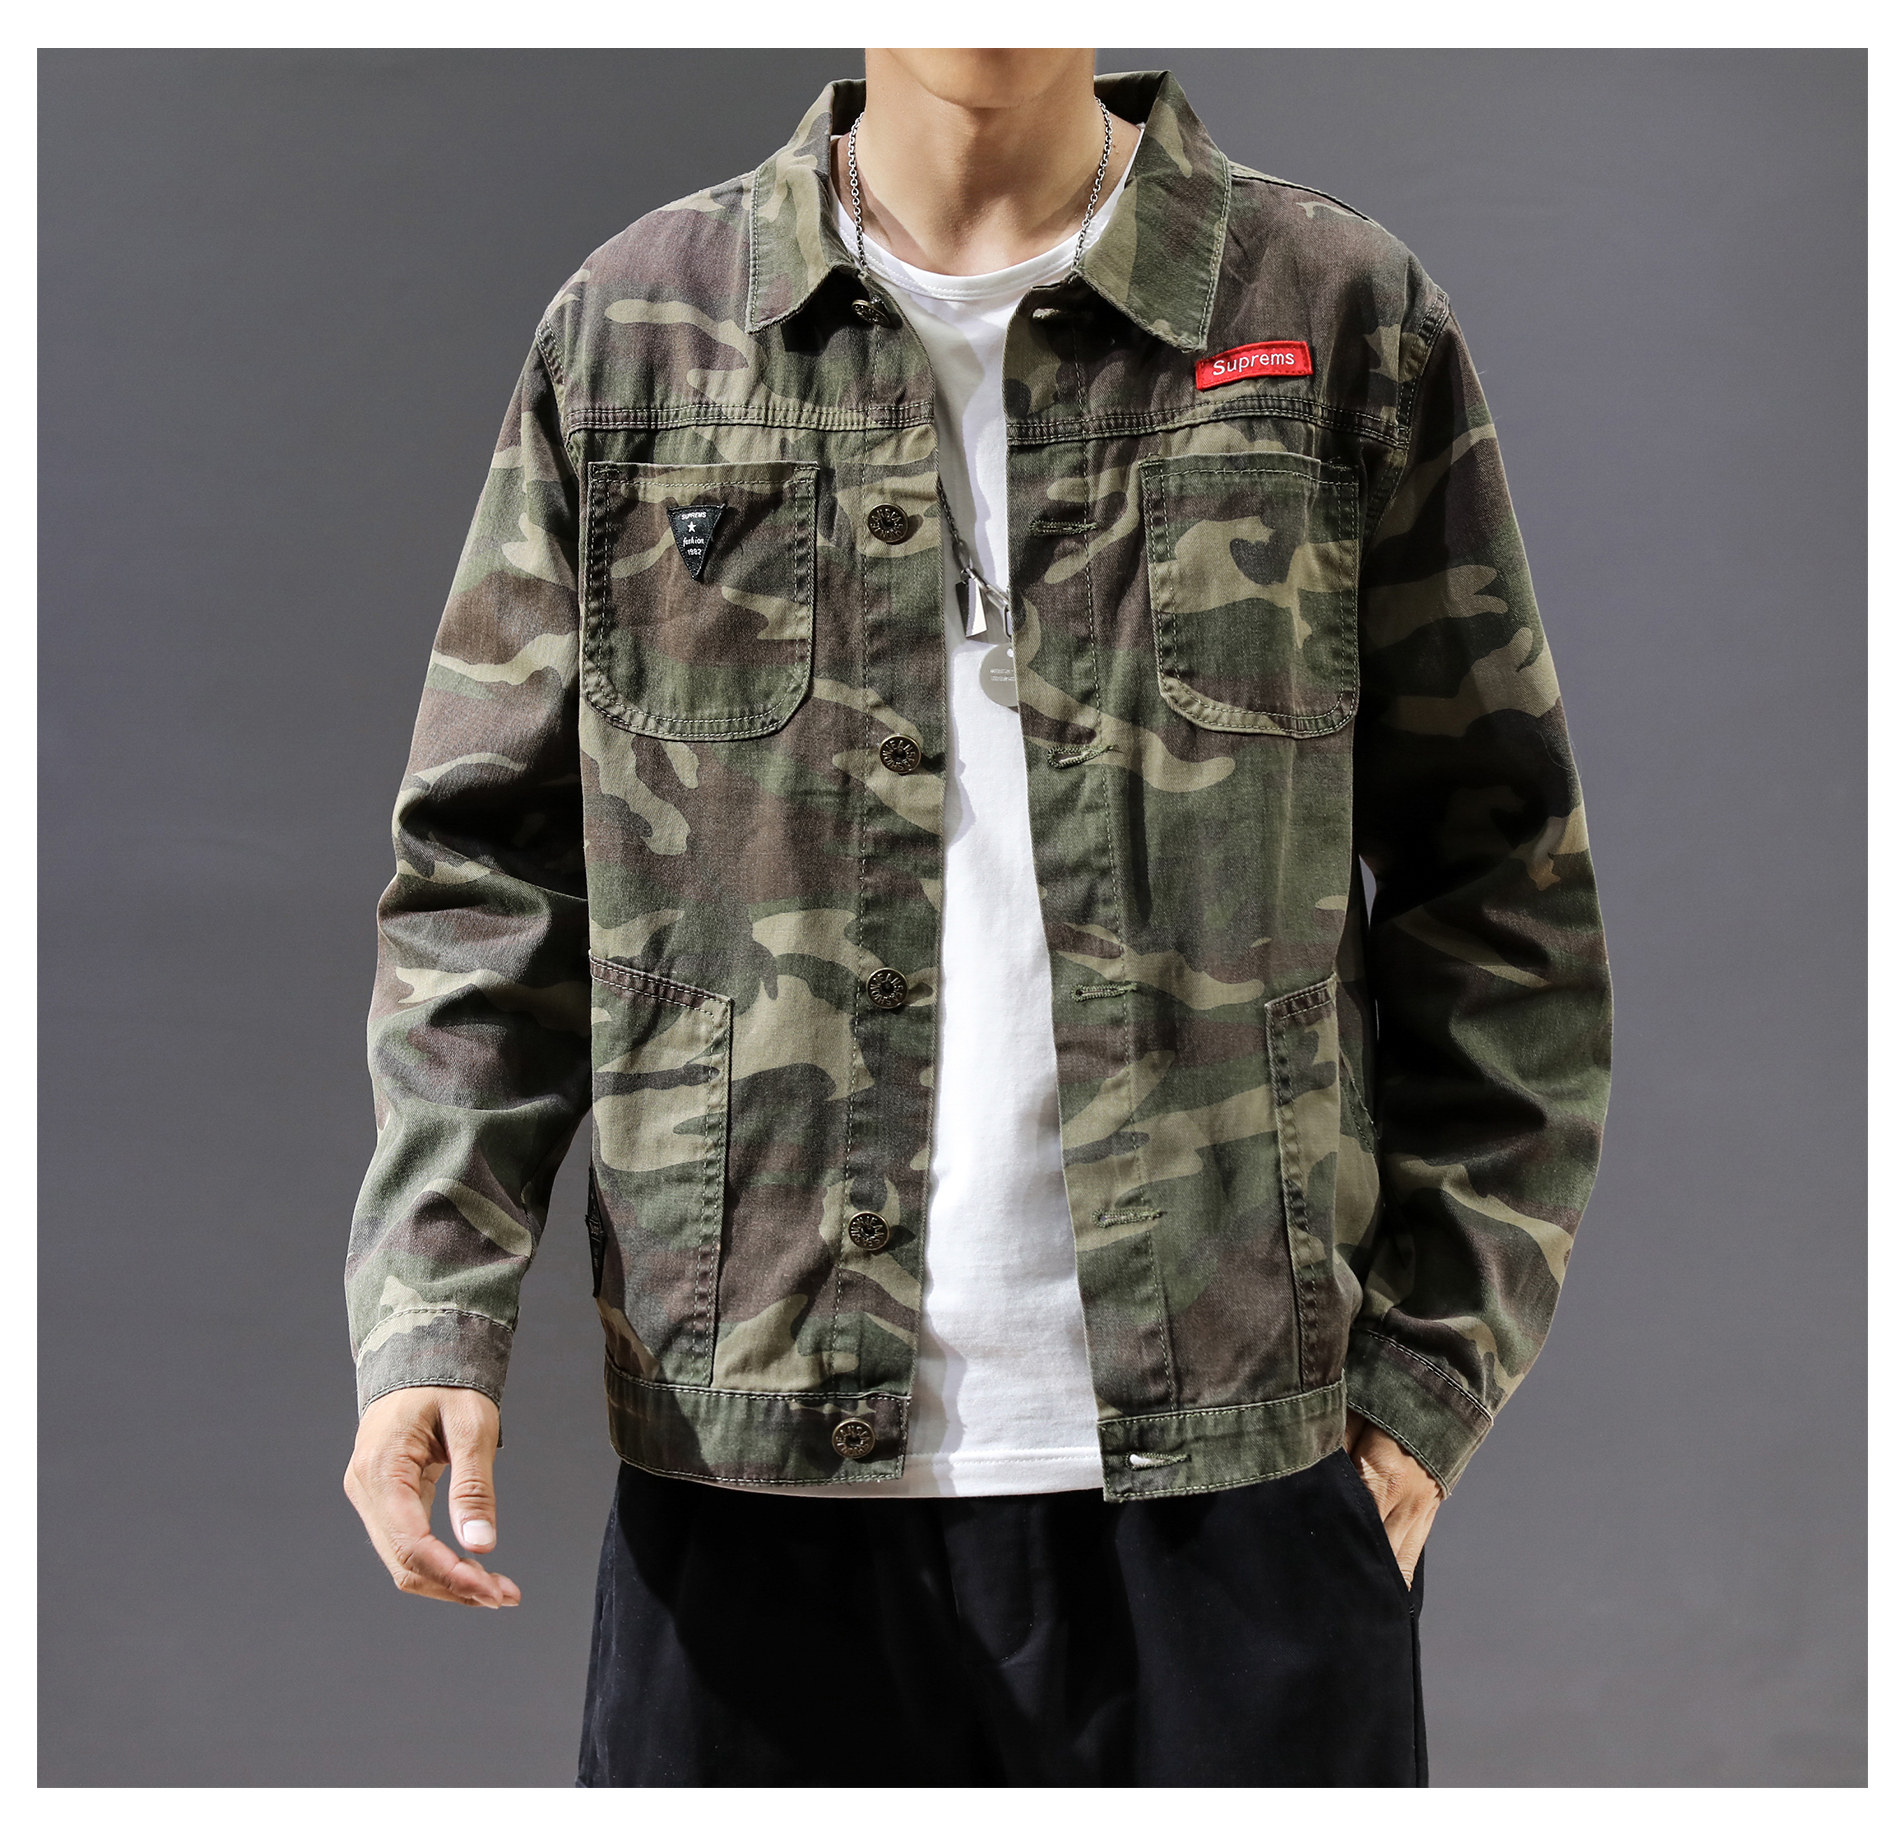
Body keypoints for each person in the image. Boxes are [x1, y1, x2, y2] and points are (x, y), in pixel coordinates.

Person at [342, 49, 1612, 1787]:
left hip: (1244, 1488)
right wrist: (432, 1302)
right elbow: (489, 881)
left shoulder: (1334, 316)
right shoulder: (638, 336)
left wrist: (1424, 1389)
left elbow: (1505, 882)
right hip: (753, 1482)